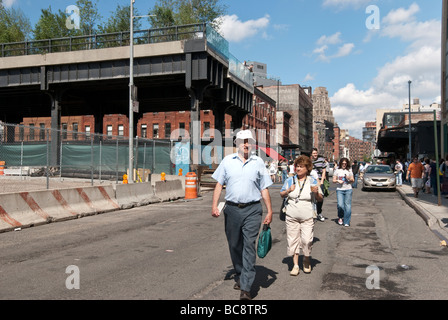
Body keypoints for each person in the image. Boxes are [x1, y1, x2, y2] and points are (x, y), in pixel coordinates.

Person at [211, 130, 273, 301]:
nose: (246, 144)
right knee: (234, 244)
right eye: (243, 141)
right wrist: (214, 205)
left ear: (252, 144)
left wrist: (270, 210)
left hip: (253, 209)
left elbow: (264, 188)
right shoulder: (227, 161)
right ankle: (240, 272)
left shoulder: (258, 162)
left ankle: (246, 287)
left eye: (249, 141)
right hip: (231, 210)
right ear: (237, 143)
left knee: (248, 245)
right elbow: (219, 185)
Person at [280, 155, 323, 275]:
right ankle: (295, 265)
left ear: (307, 168)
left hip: (307, 215)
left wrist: (316, 193)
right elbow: (282, 194)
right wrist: (288, 190)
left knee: (307, 240)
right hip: (291, 215)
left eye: (301, 167)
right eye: (297, 166)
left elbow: (320, 198)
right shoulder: (290, 180)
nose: (298, 169)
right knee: (292, 240)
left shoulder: (313, 181)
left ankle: (306, 259)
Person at [333, 158, 354, 227]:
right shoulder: (337, 170)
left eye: (345, 163)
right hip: (340, 189)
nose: (344, 165)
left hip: (348, 189)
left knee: (347, 206)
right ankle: (340, 216)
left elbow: (352, 180)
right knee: (340, 205)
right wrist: (338, 181)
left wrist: (349, 178)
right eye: (343, 163)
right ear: (340, 163)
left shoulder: (349, 170)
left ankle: (347, 221)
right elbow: (333, 180)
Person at [311, 148, 327, 222]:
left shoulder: (321, 160)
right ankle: (313, 214)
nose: (315, 154)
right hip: (311, 181)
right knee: (312, 198)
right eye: (314, 153)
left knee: (320, 198)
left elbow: (324, 171)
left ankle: (319, 213)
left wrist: (322, 181)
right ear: (311, 154)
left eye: (316, 153)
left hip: (320, 181)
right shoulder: (309, 161)